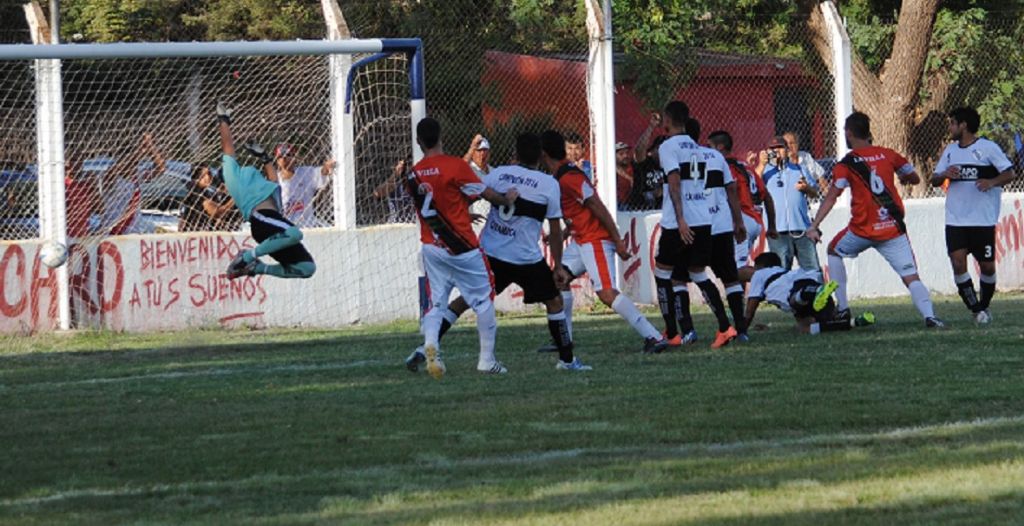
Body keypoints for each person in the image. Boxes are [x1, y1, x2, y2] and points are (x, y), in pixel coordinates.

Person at [406, 133, 591, 372]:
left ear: (515, 153)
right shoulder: (548, 184)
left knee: (465, 300)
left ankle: (426, 347)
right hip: (526, 258)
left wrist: (462, 215)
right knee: (554, 302)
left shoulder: (499, 174)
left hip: (492, 252)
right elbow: (555, 230)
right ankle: (566, 361)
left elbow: (464, 196)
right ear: (541, 156)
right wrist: (557, 265)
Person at [806, 112, 945, 328]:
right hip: (892, 229)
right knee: (911, 276)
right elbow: (914, 178)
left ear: (849, 133)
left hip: (862, 230)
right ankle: (930, 316)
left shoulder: (846, 164)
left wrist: (814, 225)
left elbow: (832, 197)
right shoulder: (888, 154)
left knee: (833, 251)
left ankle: (842, 309)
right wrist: (903, 178)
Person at [409, 118, 518, 378]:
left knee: (436, 303)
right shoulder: (456, 166)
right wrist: (506, 199)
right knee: (483, 298)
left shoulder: (413, 174)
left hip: (432, 246)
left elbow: (436, 203)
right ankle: (487, 360)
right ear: (441, 137)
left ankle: (432, 346)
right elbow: (485, 193)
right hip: (462, 246)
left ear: (419, 142)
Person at [542, 129, 668, 354]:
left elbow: (596, 205)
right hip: (582, 240)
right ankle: (564, 339)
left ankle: (654, 336)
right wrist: (566, 232)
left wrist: (617, 240)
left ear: (544, 153)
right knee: (558, 280)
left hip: (595, 240)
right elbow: (579, 211)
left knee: (607, 293)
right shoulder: (561, 175)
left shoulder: (570, 177)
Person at [654, 101, 738, 349]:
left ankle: (672, 332)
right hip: (703, 219)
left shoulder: (668, 146)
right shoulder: (698, 148)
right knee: (698, 273)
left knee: (663, 273)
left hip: (678, 222)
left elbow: (675, 181)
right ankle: (725, 327)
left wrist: (680, 219)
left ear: (667, 120)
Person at [931, 106, 1016, 324]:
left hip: (982, 220)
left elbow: (1010, 173)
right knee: (958, 263)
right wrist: (944, 174)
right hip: (955, 220)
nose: (950, 128)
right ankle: (976, 309)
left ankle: (984, 306)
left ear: (964, 125)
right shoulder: (950, 150)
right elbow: (934, 180)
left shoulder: (988, 148)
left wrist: (991, 182)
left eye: (953, 123)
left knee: (987, 266)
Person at [217, 103, 316, 281]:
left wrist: (265, 158)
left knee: (307, 268)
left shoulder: (261, 182)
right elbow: (228, 148)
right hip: (262, 219)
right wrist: (224, 121)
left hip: (274, 223)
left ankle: (257, 268)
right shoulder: (234, 181)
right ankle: (246, 257)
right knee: (295, 234)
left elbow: (274, 182)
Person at [686, 119, 749, 342]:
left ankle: (722, 325)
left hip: (698, 224)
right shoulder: (715, 156)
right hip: (721, 224)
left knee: (693, 272)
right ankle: (741, 330)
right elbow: (731, 189)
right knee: (730, 278)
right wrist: (738, 221)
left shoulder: (681, 156)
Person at [745, 252, 875, 335]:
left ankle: (812, 293)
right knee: (805, 328)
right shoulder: (786, 273)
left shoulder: (759, 274)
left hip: (798, 293)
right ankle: (854, 322)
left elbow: (750, 308)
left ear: (760, 266)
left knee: (794, 301)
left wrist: (742, 330)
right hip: (808, 281)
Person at [708, 130, 777, 282]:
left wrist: (737, 221)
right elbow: (767, 196)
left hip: (741, 219)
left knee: (735, 269)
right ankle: (739, 297)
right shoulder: (745, 166)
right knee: (737, 267)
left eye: (709, 146)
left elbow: (731, 191)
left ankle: (775, 279)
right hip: (754, 219)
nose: (707, 151)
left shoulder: (725, 167)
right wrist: (772, 226)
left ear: (720, 147)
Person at [760, 135, 820, 271]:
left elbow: (815, 193)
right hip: (777, 231)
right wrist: (761, 164)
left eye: (780, 147)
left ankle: (816, 286)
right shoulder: (764, 171)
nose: (776, 151)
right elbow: (753, 189)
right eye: (773, 148)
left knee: (812, 269)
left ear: (787, 150)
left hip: (802, 229)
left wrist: (806, 188)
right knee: (781, 270)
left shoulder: (799, 169)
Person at [99, 132, 165, 235]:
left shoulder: (137, 175)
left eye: (136, 163)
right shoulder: (110, 176)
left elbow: (160, 169)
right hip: (113, 233)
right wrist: (139, 151)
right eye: (133, 162)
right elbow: (121, 167)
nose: (135, 165)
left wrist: (150, 146)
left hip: (133, 233)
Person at [275, 143, 335, 228]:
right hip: (285, 227)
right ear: (277, 161)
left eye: (288, 155)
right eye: (281, 156)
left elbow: (320, 173)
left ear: (294, 158)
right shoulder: (275, 180)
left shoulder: (305, 173)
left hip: (307, 225)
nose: (284, 158)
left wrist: (326, 167)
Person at [179, 163, 235, 232]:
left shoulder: (201, 190)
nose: (209, 176)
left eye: (209, 173)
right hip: (196, 234)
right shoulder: (198, 194)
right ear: (197, 177)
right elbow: (217, 213)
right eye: (205, 175)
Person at [371, 158, 416, 224]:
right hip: (395, 223)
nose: (403, 168)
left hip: (413, 222)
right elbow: (376, 193)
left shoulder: (416, 182)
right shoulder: (394, 184)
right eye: (400, 165)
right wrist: (395, 175)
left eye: (405, 165)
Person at [463, 134, 493, 220]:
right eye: (479, 150)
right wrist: (472, 147)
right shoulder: (468, 169)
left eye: (485, 150)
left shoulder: (493, 171)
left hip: (491, 218)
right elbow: (460, 167)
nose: (482, 154)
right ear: (473, 153)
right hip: (475, 218)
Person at [614, 141, 635, 209]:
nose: (625, 156)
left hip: (631, 203)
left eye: (627, 153)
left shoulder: (633, 167)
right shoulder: (611, 170)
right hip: (616, 204)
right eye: (621, 154)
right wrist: (629, 178)